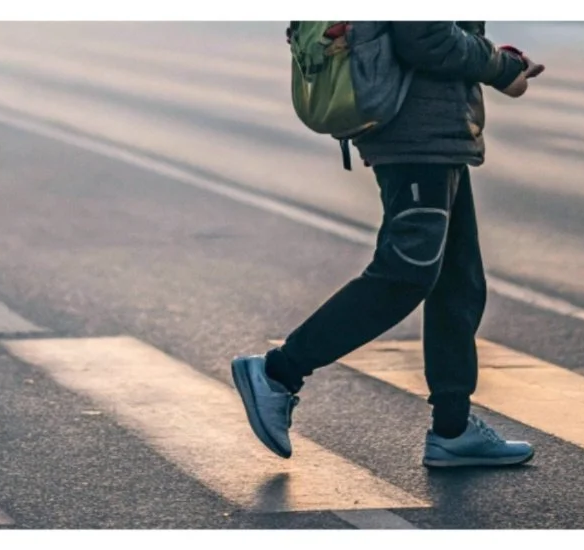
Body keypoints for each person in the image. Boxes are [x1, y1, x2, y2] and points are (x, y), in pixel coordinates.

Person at [233, 21, 544, 467]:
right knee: (406, 271)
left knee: (458, 281)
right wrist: (498, 65)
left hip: (434, 130)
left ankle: (453, 428)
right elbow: (424, 37)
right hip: (416, 131)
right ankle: (277, 373)